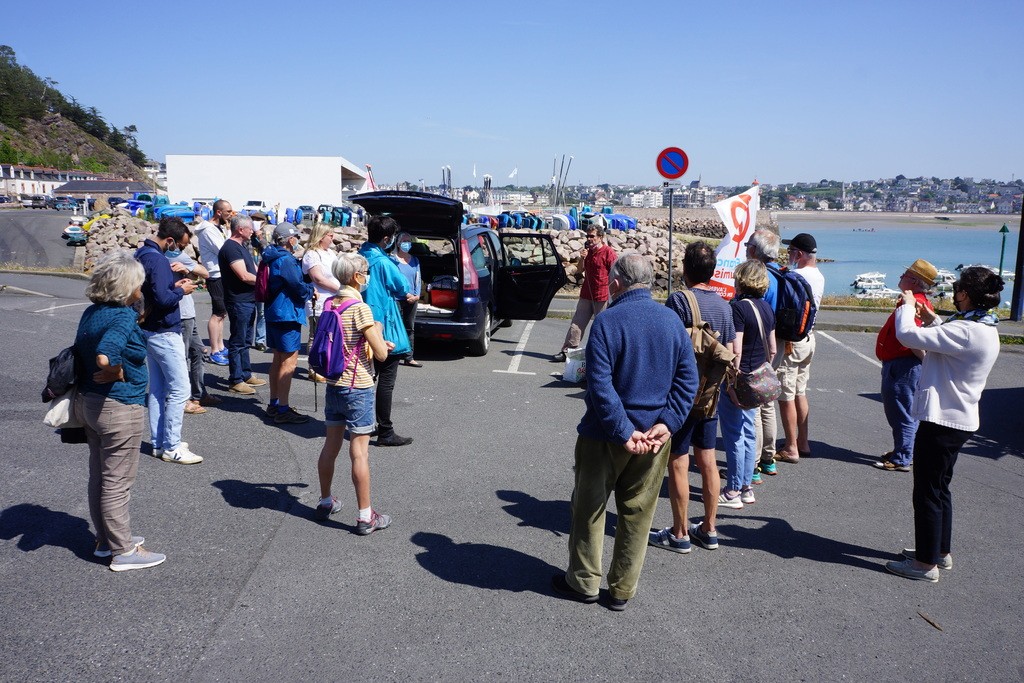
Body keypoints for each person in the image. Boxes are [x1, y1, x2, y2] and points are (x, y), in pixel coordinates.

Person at [553, 253, 698, 611]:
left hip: (605, 435)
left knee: (589, 508)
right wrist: (667, 423)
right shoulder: (671, 321)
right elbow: (687, 380)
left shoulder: (607, 322)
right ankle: (622, 589)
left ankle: (584, 581)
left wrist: (622, 431)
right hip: (654, 437)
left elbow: (599, 385)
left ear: (616, 283)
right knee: (637, 514)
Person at [885, 267, 1002, 583]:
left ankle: (925, 565)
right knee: (939, 489)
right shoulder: (984, 327)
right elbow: (952, 340)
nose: (954, 293)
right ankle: (939, 552)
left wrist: (908, 307)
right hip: (959, 420)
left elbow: (907, 335)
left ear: (964, 294)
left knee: (926, 492)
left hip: (943, 421)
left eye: (957, 289)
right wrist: (932, 319)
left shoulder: (967, 330)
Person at [73, 251, 166, 571]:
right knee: (117, 481)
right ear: (127, 288)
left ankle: (105, 540)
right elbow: (105, 354)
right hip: (119, 407)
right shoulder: (123, 317)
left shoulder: (92, 312)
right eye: (138, 284)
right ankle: (123, 550)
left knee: (99, 477)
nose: (141, 290)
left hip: (90, 404)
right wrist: (115, 370)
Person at [649, 241, 735, 553]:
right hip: (712, 394)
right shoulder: (726, 307)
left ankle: (680, 532)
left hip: (682, 394)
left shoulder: (679, 300)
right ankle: (709, 529)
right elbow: (731, 352)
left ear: (685, 269)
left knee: (678, 462)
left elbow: (668, 346)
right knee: (708, 459)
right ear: (713, 272)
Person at [315, 253, 394, 534]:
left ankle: (325, 501)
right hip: (357, 385)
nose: (366, 274)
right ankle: (365, 516)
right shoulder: (360, 308)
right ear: (357, 276)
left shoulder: (330, 302)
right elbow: (382, 354)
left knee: (330, 446)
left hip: (333, 382)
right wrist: (379, 331)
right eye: (365, 271)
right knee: (359, 453)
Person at [134, 217, 203, 465]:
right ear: (170, 239)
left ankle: (159, 441)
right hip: (164, 330)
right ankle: (172, 446)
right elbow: (164, 299)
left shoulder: (141, 254)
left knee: (158, 389)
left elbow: (156, 291)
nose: (178, 250)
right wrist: (181, 290)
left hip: (149, 329)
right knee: (180, 389)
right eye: (178, 245)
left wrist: (174, 285)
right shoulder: (159, 260)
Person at [717, 260, 776, 507]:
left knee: (733, 435)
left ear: (741, 280)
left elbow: (736, 350)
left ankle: (732, 490)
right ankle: (747, 487)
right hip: (757, 379)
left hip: (740, 378)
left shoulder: (738, 308)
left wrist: (731, 382)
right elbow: (772, 349)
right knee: (749, 432)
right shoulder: (766, 308)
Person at [873, 259, 937, 472]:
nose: (901, 277)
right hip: (900, 364)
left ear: (915, 281)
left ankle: (902, 457)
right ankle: (904, 450)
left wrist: (924, 361)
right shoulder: (916, 301)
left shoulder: (915, 304)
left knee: (901, 412)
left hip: (903, 366)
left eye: (906, 274)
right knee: (903, 410)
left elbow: (915, 339)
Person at [358, 216, 415, 447]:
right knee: (386, 380)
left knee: (366, 376)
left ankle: (364, 423)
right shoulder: (383, 262)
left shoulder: (361, 256)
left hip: (360, 318)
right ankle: (386, 431)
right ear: (386, 238)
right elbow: (402, 286)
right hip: (382, 321)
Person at [775, 232, 824, 464]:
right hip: (809, 338)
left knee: (786, 396)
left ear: (800, 254)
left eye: (791, 251)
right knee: (800, 392)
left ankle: (791, 446)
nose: (789, 255)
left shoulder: (795, 275)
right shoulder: (819, 275)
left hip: (792, 343)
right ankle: (803, 441)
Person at [261, 222, 314, 424]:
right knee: (289, 361)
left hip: (274, 311)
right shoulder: (286, 260)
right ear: (290, 239)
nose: (297, 240)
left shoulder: (269, 256)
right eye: (296, 237)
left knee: (278, 358)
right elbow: (297, 287)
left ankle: (274, 404)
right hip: (287, 313)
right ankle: (283, 408)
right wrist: (310, 290)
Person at [745, 229, 782, 482]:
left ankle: (754, 465)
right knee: (768, 402)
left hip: (759, 344)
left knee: (756, 407)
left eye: (749, 244)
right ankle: (769, 458)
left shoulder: (761, 277)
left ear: (755, 251)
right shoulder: (781, 274)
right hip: (776, 342)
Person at [554, 215, 617, 361]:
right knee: (577, 324)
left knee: (600, 328)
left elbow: (614, 274)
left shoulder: (608, 253)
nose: (589, 239)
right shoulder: (587, 252)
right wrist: (582, 257)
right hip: (586, 294)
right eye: (587, 236)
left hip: (601, 296)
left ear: (600, 237)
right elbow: (579, 270)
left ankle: (601, 356)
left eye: (592, 236)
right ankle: (567, 351)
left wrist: (612, 294)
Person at [164, 244, 218, 415]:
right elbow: (205, 273)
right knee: (181, 357)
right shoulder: (175, 255)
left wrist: (188, 272)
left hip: (188, 312)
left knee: (199, 352)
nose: (186, 245)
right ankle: (182, 399)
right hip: (182, 314)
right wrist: (189, 268)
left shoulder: (168, 255)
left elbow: (198, 276)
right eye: (184, 241)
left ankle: (198, 394)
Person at [218, 213, 267, 395]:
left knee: (246, 339)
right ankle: (235, 379)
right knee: (238, 341)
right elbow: (244, 275)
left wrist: (263, 279)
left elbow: (254, 271)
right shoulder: (231, 248)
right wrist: (265, 283)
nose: (252, 232)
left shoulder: (242, 247)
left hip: (248, 300)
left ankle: (246, 374)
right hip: (238, 301)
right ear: (240, 229)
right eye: (250, 229)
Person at [193, 199, 233, 366]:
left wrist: (229, 230)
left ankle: (221, 346)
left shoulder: (218, 228)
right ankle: (214, 350)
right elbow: (223, 249)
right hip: (215, 274)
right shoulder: (208, 230)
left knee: (222, 313)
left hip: (222, 274)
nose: (231, 214)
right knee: (217, 313)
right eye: (228, 211)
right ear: (218, 212)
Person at [301, 223, 341, 382]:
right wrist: (339, 289)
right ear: (321, 236)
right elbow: (318, 278)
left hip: (334, 301)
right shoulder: (311, 254)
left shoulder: (331, 253)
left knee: (331, 335)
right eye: (330, 235)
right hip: (319, 301)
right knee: (316, 335)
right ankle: (314, 368)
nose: (333, 238)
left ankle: (328, 365)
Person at [391, 231, 423, 368]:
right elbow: (392, 281)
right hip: (398, 298)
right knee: (395, 325)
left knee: (410, 327)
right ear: (397, 243)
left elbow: (418, 279)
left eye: (409, 241)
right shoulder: (392, 260)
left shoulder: (415, 260)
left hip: (413, 299)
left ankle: (409, 357)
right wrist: (406, 295)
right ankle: (394, 355)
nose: (407, 243)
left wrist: (416, 295)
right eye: (404, 241)